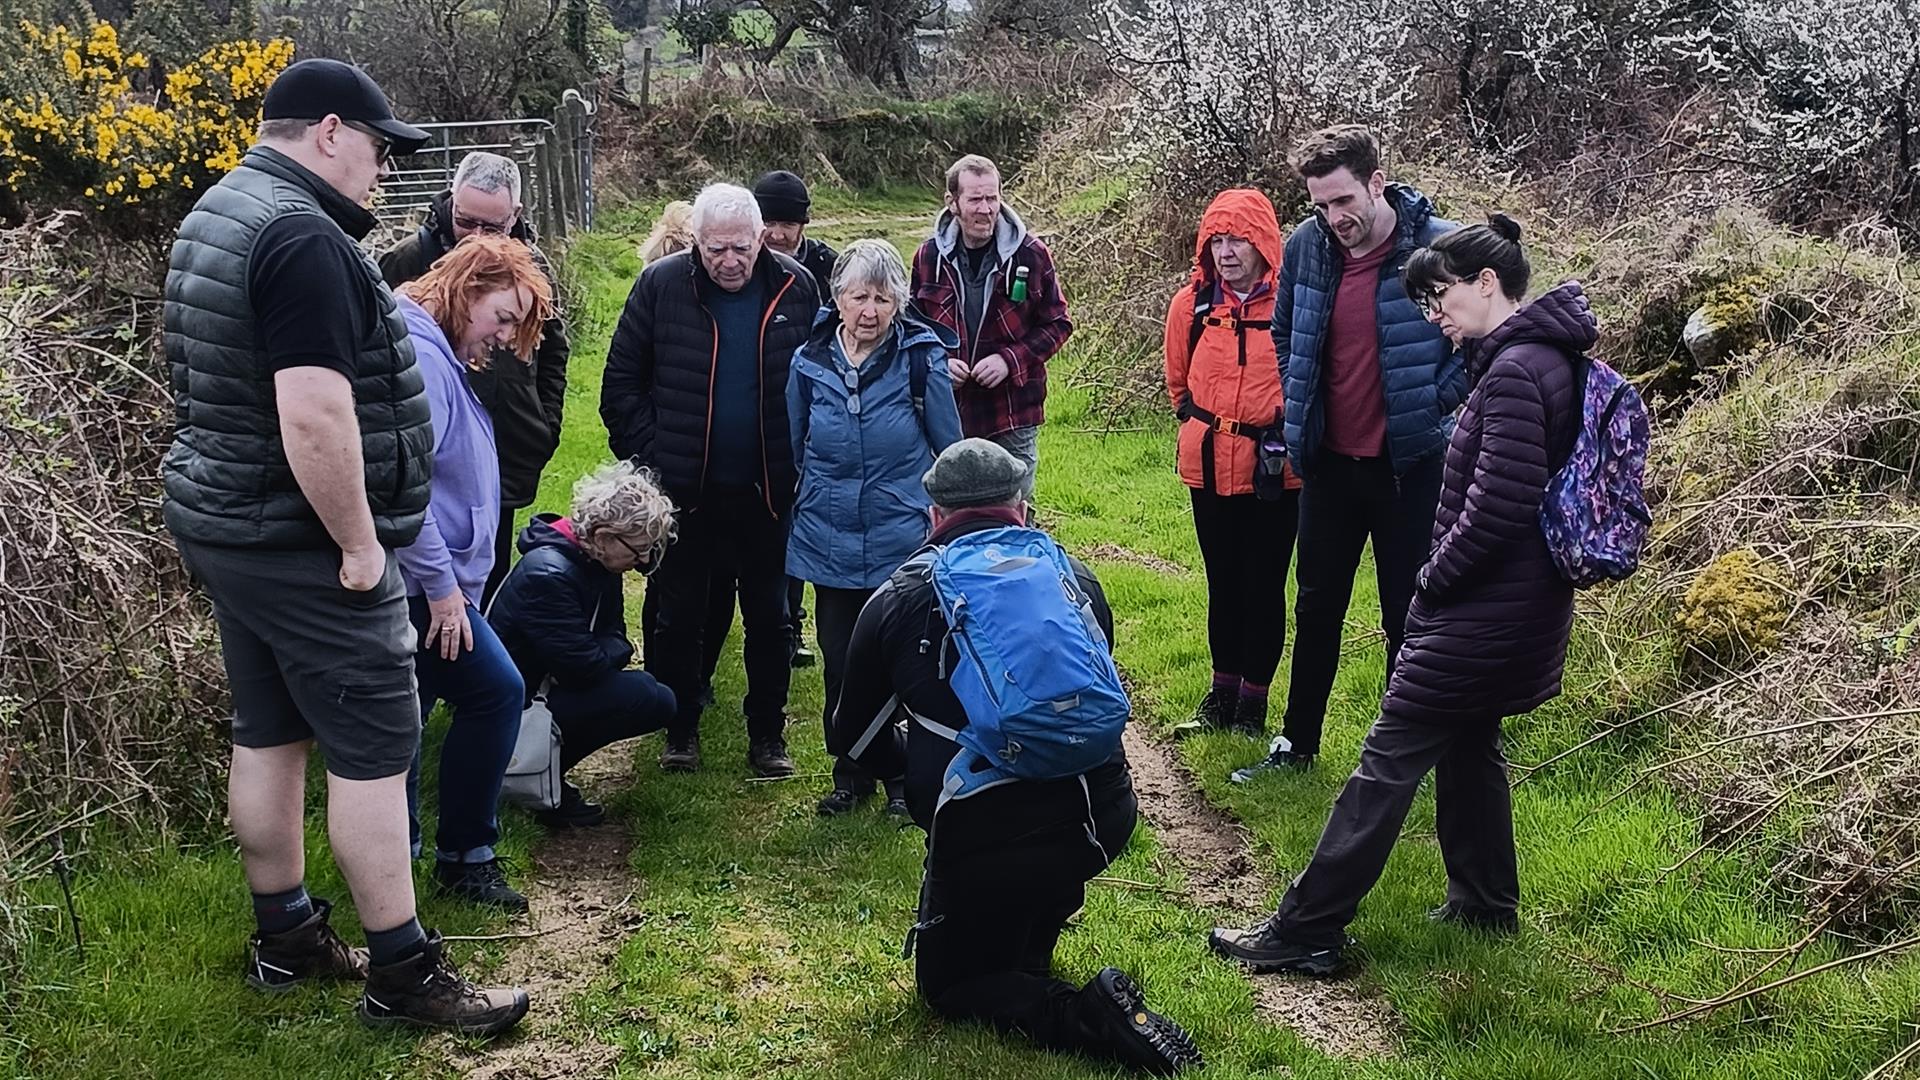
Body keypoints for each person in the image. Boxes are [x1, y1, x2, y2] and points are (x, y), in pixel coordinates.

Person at [161, 56, 526, 1034]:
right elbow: (314, 413)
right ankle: (403, 978)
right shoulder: (301, 237)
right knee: (376, 743)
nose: (383, 174)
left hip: (230, 522)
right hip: (301, 538)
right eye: (378, 150)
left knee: (269, 730)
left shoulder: (219, 211)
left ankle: (285, 936)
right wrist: (362, 545)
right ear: (329, 132)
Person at [1210, 217, 1588, 974]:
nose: (1433, 317)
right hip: (1516, 606)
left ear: (1489, 284)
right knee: (1472, 744)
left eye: (1440, 298)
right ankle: (1485, 903)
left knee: (1385, 760)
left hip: (1481, 609)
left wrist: (1433, 577)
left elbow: (1502, 505)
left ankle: (1307, 926)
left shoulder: (1515, 371)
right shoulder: (1545, 357)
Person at [829, 439, 1204, 1076]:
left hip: (983, 834)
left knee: (947, 987)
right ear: (1022, 510)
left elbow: (853, 742)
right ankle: (1034, 925)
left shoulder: (895, 599)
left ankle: (1086, 1014)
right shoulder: (1073, 576)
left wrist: (921, 766)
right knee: (1016, 932)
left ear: (933, 517)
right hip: (1102, 818)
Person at [1233, 125, 1467, 780]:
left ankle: (1403, 757)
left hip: (1411, 468)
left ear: (1375, 181)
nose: (1336, 217)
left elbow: (1481, 339)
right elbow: (1284, 331)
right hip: (1330, 465)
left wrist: (1433, 400)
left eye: (1343, 200)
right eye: (1321, 205)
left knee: (1407, 615)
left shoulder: (1439, 245)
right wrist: (1302, 400)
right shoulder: (1307, 248)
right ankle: (1296, 745)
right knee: (1317, 608)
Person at [599, 182, 819, 776]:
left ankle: (769, 737)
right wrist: (658, 461)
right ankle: (680, 728)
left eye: (741, 249)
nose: (729, 261)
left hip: (769, 491)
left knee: (772, 619)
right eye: (716, 249)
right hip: (684, 496)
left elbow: (820, 384)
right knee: (679, 617)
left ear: (761, 240)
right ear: (696, 242)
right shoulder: (661, 285)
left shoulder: (797, 288)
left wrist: (801, 463)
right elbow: (620, 387)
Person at [393, 233, 553, 913]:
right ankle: (460, 856)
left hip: (441, 581)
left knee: (414, 712)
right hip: (422, 585)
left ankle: (416, 856)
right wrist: (443, 590)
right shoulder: (423, 356)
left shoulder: (436, 345)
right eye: (503, 317)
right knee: (494, 691)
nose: (503, 336)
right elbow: (407, 489)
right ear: (468, 289)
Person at [787, 239, 964, 817]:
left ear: (899, 304)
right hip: (828, 533)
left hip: (900, 537)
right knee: (840, 659)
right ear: (837, 298)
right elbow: (792, 446)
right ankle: (849, 772)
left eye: (884, 299)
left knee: (904, 659)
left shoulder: (921, 357)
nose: (870, 311)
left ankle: (901, 778)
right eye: (860, 296)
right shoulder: (809, 359)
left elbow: (950, 452)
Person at [379, 151, 572, 609]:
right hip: (428, 462)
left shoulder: (532, 267)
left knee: (488, 575)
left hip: (507, 448)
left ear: (516, 216)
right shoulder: (406, 262)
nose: (478, 239)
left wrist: (544, 423)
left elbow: (554, 347)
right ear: (450, 202)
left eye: (494, 228)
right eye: (467, 223)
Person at [1163, 189, 1302, 739]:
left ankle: (1253, 708)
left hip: (1274, 471)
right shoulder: (1190, 307)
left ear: (1263, 244)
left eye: (1238, 240)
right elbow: (1179, 385)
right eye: (1217, 241)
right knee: (1222, 582)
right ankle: (1220, 699)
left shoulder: (1293, 306)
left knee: (1264, 585)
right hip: (1208, 465)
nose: (1226, 252)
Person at [488, 461, 681, 827]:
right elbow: (584, 668)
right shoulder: (549, 574)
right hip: (513, 705)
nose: (643, 562)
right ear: (604, 535)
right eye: (638, 549)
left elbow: (614, 639)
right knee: (646, 696)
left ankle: (541, 769)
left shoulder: (592, 559)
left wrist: (604, 653)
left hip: (539, 687)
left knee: (651, 693)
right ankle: (524, 777)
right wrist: (604, 654)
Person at [910, 154, 1073, 481]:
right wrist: (939, 364)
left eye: (992, 198)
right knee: (950, 512)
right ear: (952, 202)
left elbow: (1058, 324)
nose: (985, 210)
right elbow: (912, 330)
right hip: (946, 411)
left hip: (1012, 411)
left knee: (1013, 512)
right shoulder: (927, 257)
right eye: (975, 200)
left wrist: (1009, 361)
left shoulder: (1031, 254)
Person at [754, 168, 839, 669]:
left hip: (813, 407)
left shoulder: (827, 268)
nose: (777, 233)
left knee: (799, 520)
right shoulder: (745, 264)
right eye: (768, 220)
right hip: (759, 406)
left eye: (788, 222)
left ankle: (792, 627)